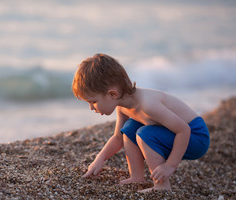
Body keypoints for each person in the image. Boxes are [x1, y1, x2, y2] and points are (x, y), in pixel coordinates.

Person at [72, 53, 210, 192]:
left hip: (196, 137)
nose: (91, 108)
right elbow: (118, 138)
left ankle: (162, 186)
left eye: (93, 102)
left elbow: (183, 130)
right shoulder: (122, 106)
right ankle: (137, 176)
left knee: (144, 134)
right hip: (177, 134)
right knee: (129, 128)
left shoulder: (148, 105)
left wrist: (170, 166)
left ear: (112, 94)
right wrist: (100, 158)